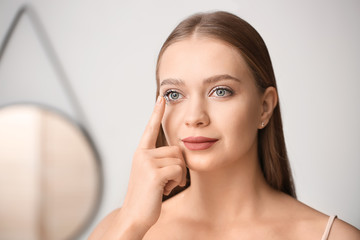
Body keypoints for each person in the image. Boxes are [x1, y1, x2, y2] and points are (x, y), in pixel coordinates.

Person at [89, 11, 360, 240]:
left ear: (264, 107)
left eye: (220, 91)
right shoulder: (120, 228)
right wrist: (131, 225)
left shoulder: (332, 236)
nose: (194, 116)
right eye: (174, 94)